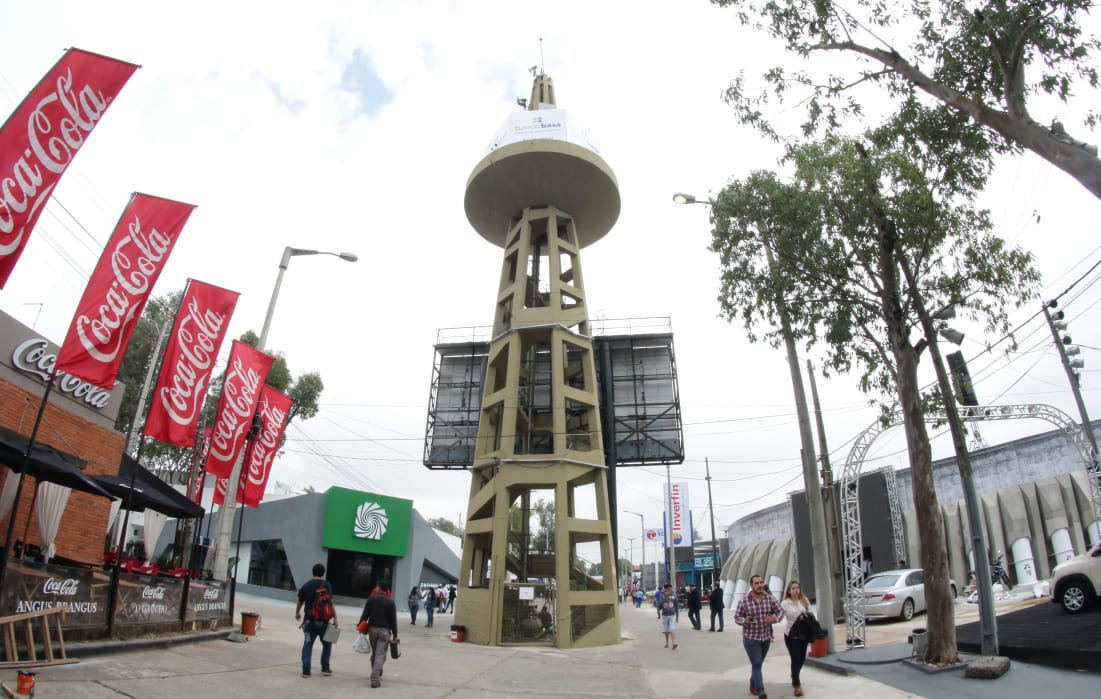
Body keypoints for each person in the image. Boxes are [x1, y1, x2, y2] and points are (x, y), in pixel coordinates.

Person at [735, 574, 782, 699]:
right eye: (756, 583)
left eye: (761, 582)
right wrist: (745, 620)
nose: (760, 585)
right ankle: (761, 691)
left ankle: (753, 683)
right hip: (751, 638)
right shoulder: (744, 601)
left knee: (758, 664)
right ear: (751, 585)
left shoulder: (769, 599)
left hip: (765, 637)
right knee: (756, 662)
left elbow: (780, 611)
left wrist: (775, 619)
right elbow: (737, 617)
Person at [294, 563, 338, 679]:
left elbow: (300, 601)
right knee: (327, 644)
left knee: (308, 644)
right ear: (323, 573)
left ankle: (306, 671)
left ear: (312, 572)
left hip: (309, 621)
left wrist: (297, 613)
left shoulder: (307, 585)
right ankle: (325, 668)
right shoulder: (326, 585)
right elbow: (331, 602)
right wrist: (336, 618)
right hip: (324, 621)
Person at [358, 579, 398, 688]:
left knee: (375, 654)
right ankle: (375, 679)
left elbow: (365, 614)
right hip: (385, 631)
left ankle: (377, 671)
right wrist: (395, 633)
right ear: (387, 590)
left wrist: (359, 626)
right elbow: (393, 619)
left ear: (378, 588)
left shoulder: (371, 599)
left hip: (372, 630)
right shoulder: (390, 602)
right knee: (380, 655)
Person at [780, 581, 811, 697]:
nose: (796, 590)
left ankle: (794, 674)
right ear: (789, 590)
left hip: (803, 635)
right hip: (791, 635)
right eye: (793, 588)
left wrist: (806, 618)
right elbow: (779, 615)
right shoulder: (785, 603)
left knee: (802, 659)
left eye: (798, 588)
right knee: (795, 658)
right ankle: (797, 685)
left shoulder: (804, 601)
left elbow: (810, 614)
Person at [657, 582, 679, 650]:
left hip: (672, 615)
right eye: (668, 589)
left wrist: (677, 617)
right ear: (665, 589)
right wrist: (658, 615)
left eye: (670, 589)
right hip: (665, 615)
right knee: (666, 630)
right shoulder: (662, 595)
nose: (669, 591)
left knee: (672, 628)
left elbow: (676, 606)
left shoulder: (674, 595)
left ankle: (674, 643)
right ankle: (667, 642)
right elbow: (659, 605)